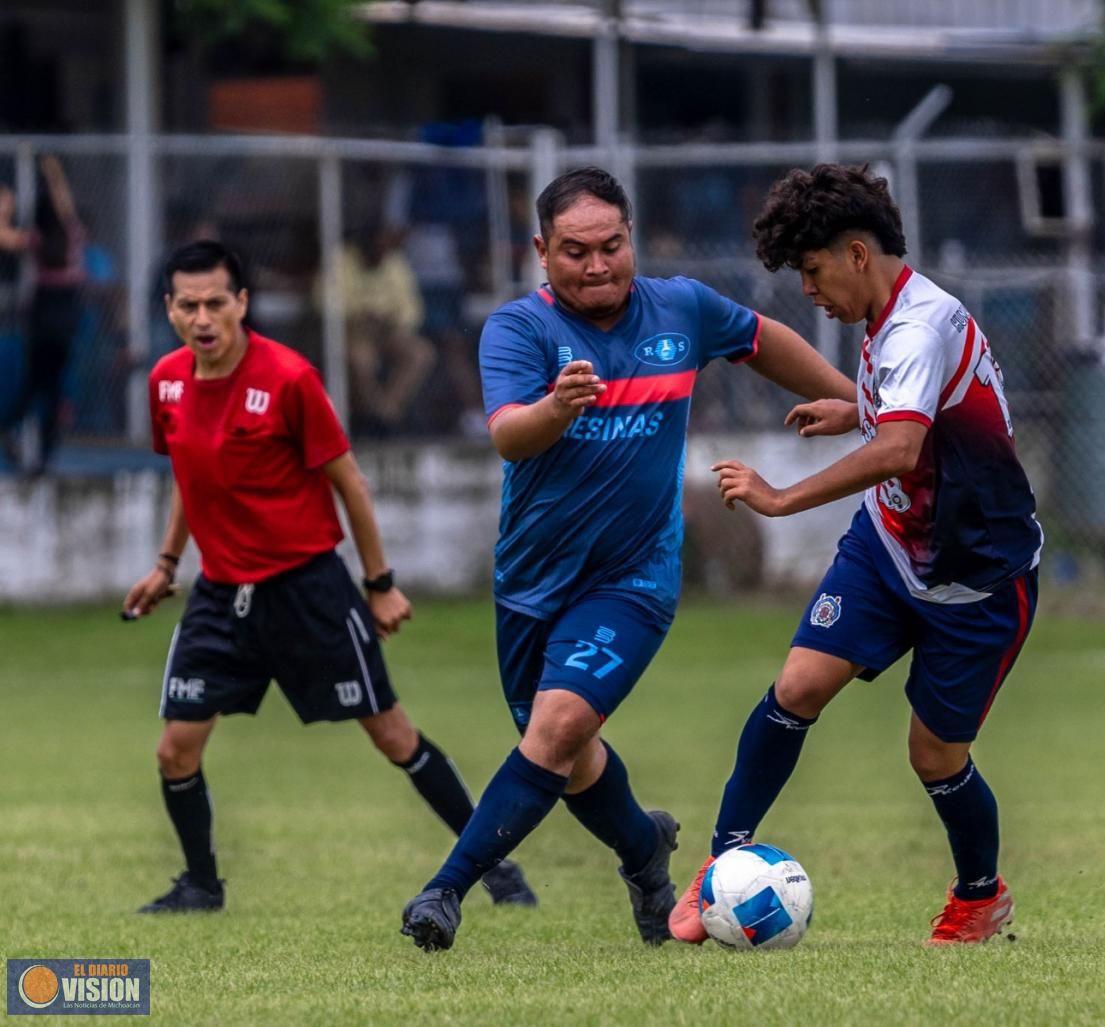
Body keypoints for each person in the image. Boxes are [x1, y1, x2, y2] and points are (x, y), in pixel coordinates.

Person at [398, 166, 855, 952]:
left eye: (612, 245)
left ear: (630, 239)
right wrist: (556, 407)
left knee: (557, 726)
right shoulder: (518, 330)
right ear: (542, 251)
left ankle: (446, 891)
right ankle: (646, 854)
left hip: (634, 579)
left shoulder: (680, 307)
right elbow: (509, 433)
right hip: (532, 583)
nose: (598, 264)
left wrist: (860, 401)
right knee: (567, 757)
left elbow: (760, 339)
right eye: (576, 250)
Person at [667, 163, 1043, 946]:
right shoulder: (890, 318)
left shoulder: (916, 326)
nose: (808, 289)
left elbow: (902, 448)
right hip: (889, 545)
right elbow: (910, 420)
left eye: (813, 269)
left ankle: (981, 895)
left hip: (977, 577)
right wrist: (855, 407)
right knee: (799, 682)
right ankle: (720, 865)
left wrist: (778, 497)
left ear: (858, 254)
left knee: (934, 756)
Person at [125, 240, 536, 913]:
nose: (203, 318)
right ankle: (201, 884)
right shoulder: (166, 382)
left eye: (216, 303)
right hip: (222, 596)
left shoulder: (287, 378)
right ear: (169, 309)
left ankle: (492, 865)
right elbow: (190, 478)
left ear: (242, 304)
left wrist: (380, 582)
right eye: (188, 305)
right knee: (176, 748)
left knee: (393, 736)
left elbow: (351, 484)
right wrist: (167, 564)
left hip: (308, 588)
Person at [6, 156, 86, 476]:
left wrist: (6, 206)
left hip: (42, 316)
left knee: (36, 383)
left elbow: (7, 237)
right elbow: (65, 207)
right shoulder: (71, 236)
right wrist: (54, 172)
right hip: (64, 318)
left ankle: (13, 428)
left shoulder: (38, 241)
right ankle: (42, 451)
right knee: (51, 386)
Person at [338, 225, 437, 433]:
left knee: (421, 354)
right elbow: (325, 302)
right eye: (377, 246)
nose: (381, 251)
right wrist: (361, 313)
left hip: (388, 332)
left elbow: (412, 308)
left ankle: (386, 414)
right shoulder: (342, 260)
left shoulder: (394, 261)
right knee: (362, 360)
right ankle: (371, 416)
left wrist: (393, 319)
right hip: (353, 331)